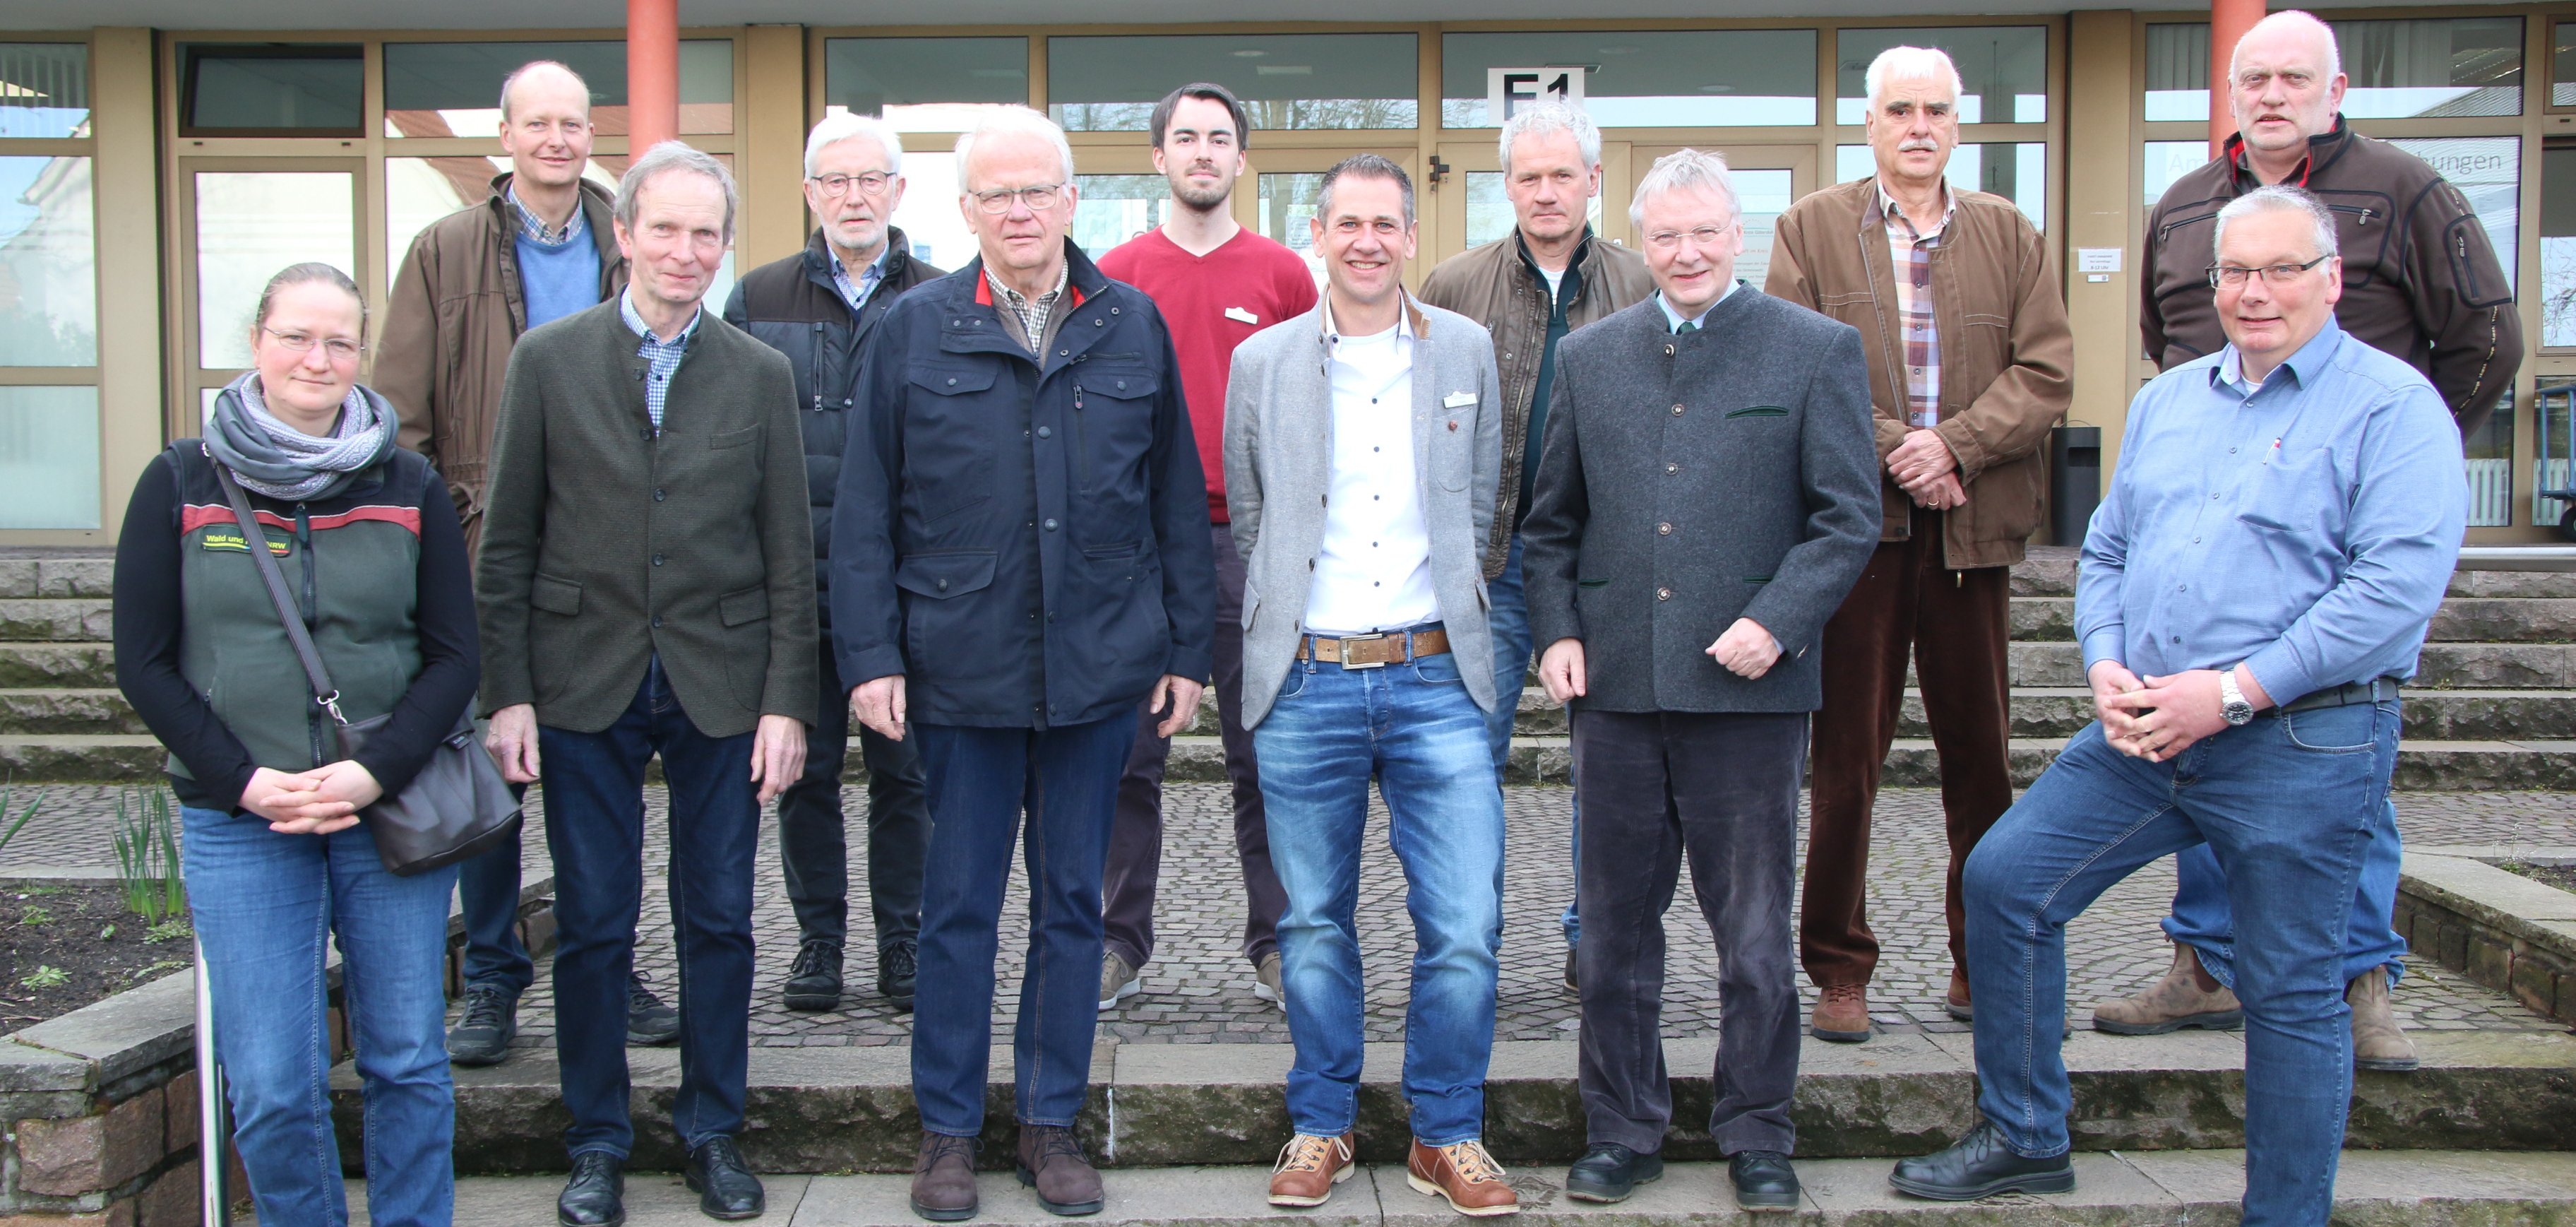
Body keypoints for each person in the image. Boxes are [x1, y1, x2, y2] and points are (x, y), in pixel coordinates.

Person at [1893, 185, 2467, 1225]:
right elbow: (2107, 547)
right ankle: (2026, 1133)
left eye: (2282, 270)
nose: (2256, 292)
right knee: (2009, 881)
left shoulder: (2394, 409)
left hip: (2306, 734)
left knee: (2293, 990)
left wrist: (2234, 693)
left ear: (2331, 279)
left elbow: (2390, 593)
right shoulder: (2171, 400)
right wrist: (2106, 660)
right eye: (2235, 272)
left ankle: (2284, 1213)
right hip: (2146, 725)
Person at [2112, 8, 2522, 1071]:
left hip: (2336, 538)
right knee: (2193, 747)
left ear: (2335, 92)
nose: (2275, 94)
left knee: (2339, 766)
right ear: (2233, 93)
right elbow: (2167, 347)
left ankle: (2358, 975)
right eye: (2256, 78)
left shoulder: (2405, 188)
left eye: (2298, 77)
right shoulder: (2188, 203)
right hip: (2212, 542)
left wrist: (2407, 463)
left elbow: (2486, 334)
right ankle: (2205, 964)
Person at [830, 106, 1215, 1223]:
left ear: (1071, 200)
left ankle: (1050, 1124)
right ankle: (947, 1131)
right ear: (964, 212)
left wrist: (1186, 648)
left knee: (1068, 909)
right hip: (960, 672)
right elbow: (863, 515)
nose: (1019, 210)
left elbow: (1175, 503)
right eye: (997, 194)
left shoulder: (1131, 324)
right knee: (955, 909)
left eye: (1037, 190)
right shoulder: (912, 330)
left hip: (1100, 672)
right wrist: (870, 656)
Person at [1522, 148, 1878, 1213]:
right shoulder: (1592, 358)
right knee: (1618, 933)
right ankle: (1622, 1125)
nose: (1685, 253)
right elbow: (1549, 526)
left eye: (1705, 233)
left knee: (1755, 933)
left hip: (1752, 696)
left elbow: (1847, 515)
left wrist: (1778, 622)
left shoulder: (1815, 351)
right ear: (1642, 239)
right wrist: (1556, 633)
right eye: (1665, 235)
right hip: (1619, 693)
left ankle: (1758, 1127)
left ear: (1739, 234)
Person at [477, 142, 816, 1227]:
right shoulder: (547, 358)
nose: (683, 251)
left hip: (721, 681)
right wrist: (510, 692)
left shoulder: (760, 374)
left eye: (704, 234)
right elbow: (509, 544)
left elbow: (787, 555)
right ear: (622, 234)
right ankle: (597, 1140)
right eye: (662, 229)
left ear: (724, 248)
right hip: (584, 679)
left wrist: (785, 702)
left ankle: (714, 1129)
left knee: (718, 917)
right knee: (594, 920)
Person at [114, 263, 474, 1227]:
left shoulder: (408, 483)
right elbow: (144, 662)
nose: (318, 359)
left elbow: (453, 658)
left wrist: (370, 769)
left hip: (384, 811)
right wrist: (248, 782)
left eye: (340, 342)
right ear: (257, 342)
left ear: (363, 355)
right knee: (272, 1082)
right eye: (296, 338)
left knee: (405, 1058)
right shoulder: (180, 481)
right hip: (243, 820)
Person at [1764, 45, 2073, 1042]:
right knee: (1844, 759)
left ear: (1958, 121)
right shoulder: (1810, 228)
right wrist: (1907, 451)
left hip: (1972, 533)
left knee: (1979, 761)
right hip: (1856, 536)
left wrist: (1958, 446)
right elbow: (1792, 365)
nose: (1919, 125)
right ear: (1870, 124)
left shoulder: (2010, 232)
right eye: (1900, 108)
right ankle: (1838, 965)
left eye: (1937, 108)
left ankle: (1982, 957)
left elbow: (2047, 370)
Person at [1226, 154, 1515, 1217]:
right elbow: (1255, 525)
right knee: (1310, 922)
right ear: (1317, 231)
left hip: (1438, 675)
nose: (1366, 240)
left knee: (1466, 923)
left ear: (1408, 235)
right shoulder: (1262, 362)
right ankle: (1323, 1121)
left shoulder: (1467, 351)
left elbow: (1483, 505)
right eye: (1346, 222)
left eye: (1385, 223)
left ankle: (1446, 1130)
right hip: (1308, 680)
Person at [375, 59, 675, 1065]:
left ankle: (609, 960)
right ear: (505, 135)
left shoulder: (619, 236)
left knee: (604, 780)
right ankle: (496, 974)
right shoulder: (444, 250)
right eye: (537, 123)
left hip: (608, 564)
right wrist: (424, 553)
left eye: (574, 123)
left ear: (595, 135)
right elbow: (401, 420)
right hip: (480, 551)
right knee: (487, 777)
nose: (557, 139)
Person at [1418, 102, 1652, 996]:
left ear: (1595, 181)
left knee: (1610, 768)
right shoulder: (1453, 283)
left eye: (1563, 175)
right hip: (1487, 568)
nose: (1546, 192)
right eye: (1528, 176)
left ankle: (1594, 937)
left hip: (1611, 567)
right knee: (1467, 758)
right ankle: (1466, 939)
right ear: (1506, 185)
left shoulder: (1642, 283)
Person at [1092, 81, 1314, 1014]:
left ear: (1240, 158)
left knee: (1265, 755)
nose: (1202, 153)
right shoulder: (1113, 273)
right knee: (1124, 760)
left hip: (1250, 543)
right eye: (1185, 137)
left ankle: (1281, 942)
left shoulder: (1284, 277)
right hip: (1137, 548)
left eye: (1219, 139)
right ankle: (1113, 942)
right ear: (1159, 157)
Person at [722, 111, 942, 1014]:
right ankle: (820, 942)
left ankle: (904, 941)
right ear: (810, 193)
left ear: (897, 191)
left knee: (907, 777)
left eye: (870, 179)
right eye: (834, 181)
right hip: (795, 582)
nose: (854, 196)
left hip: (907, 591)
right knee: (801, 774)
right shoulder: (756, 296)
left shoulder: (941, 295)